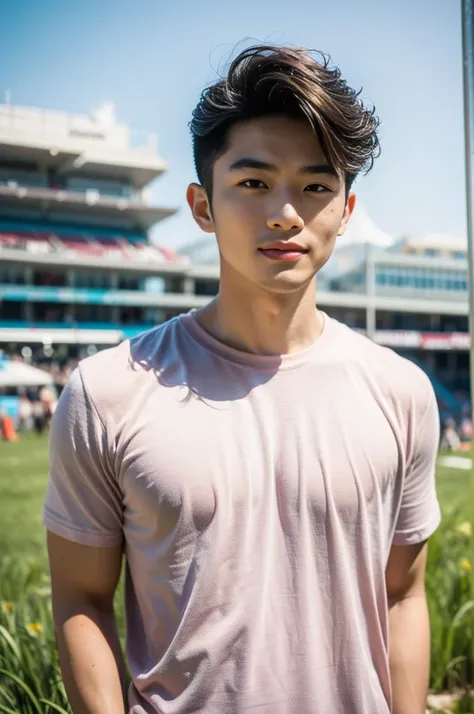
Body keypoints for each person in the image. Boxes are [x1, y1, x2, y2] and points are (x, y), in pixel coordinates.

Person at [44, 44, 441, 714]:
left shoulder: (401, 393)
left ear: (345, 212)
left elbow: (402, 594)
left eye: (316, 187)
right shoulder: (109, 391)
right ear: (202, 205)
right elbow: (80, 600)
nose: (286, 213)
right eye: (254, 183)